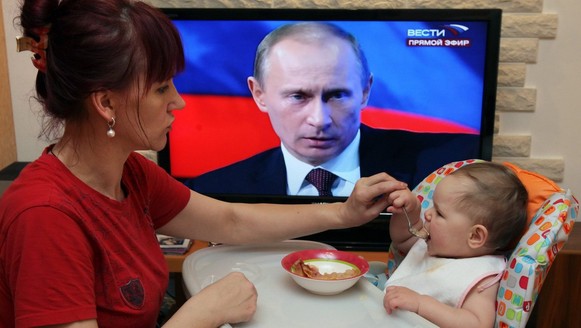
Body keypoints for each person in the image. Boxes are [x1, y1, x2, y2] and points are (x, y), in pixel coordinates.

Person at [0, 1, 407, 327]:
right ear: (106, 103)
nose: (178, 101)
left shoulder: (131, 174)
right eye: (162, 88)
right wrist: (200, 314)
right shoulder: (45, 216)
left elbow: (229, 221)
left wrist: (343, 213)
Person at [186, 22, 479, 197]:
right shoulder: (215, 191)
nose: (319, 120)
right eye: (298, 96)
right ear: (259, 94)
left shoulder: (449, 171)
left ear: (365, 91)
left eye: (337, 95)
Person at [382, 162, 528, 327]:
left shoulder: (480, 275)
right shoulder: (432, 243)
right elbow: (401, 239)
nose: (428, 213)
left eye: (439, 212)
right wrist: (408, 212)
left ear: (475, 235)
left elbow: (477, 323)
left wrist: (420, 304)